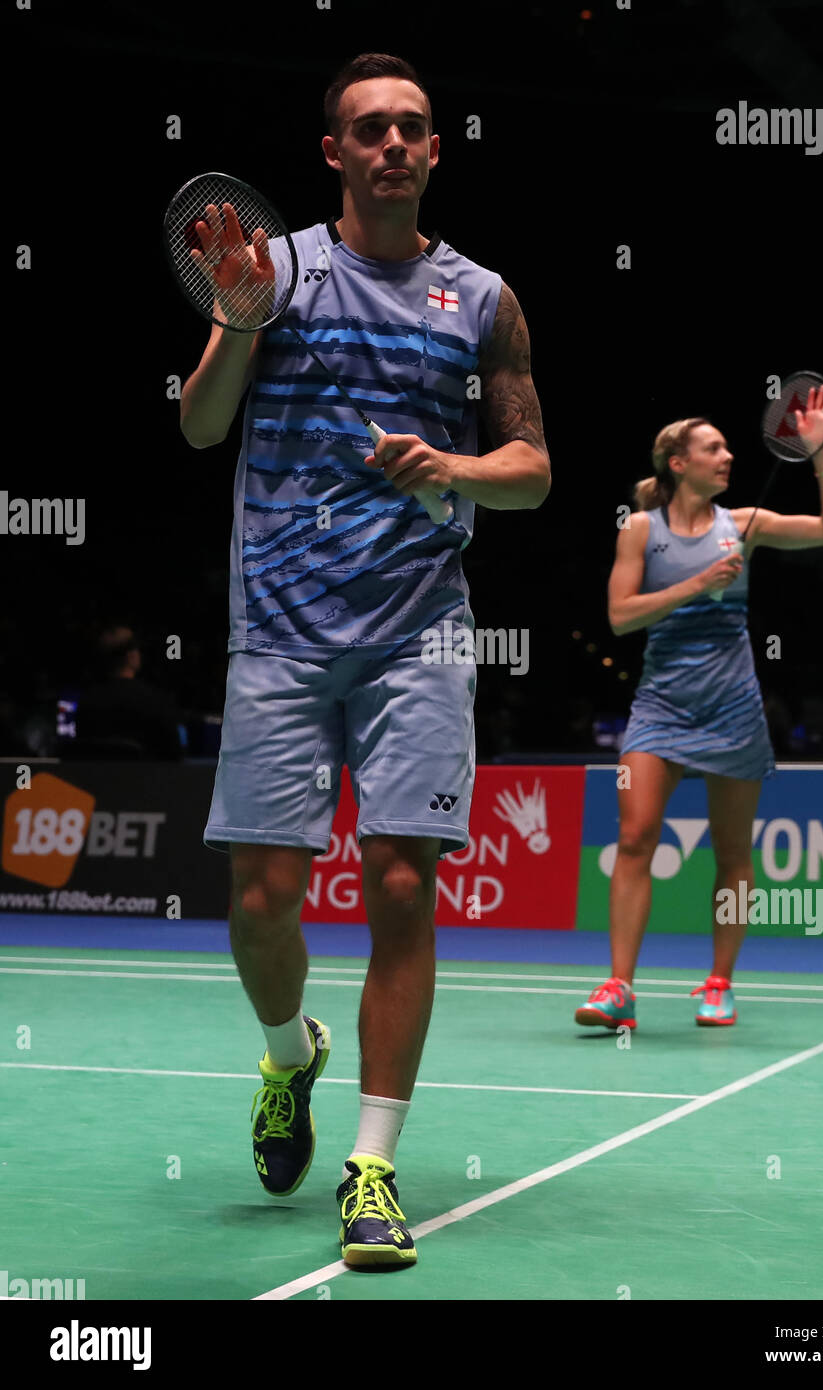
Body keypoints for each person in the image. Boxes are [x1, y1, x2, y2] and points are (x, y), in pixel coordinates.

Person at [179, 53, 550, 1267]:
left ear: (436, 150)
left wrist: (450, 467)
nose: (392, 144)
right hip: (280, 631)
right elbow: (201, 422)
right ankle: (291, 1055)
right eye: (368, 130)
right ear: (331, 152)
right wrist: (235, 321)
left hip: (418, 631)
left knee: (400, 887)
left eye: (413, 128)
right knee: (260, 905)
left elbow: (533, 471)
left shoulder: (484, 297)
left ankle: (373, 1167)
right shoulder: (275, 268)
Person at [575, 386, 823, 1032]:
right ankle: (620, 988)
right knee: (636, 836)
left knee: (732, 855)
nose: (727, 455)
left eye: (727, 446)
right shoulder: (641, 530)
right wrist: (701, 582)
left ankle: (719, 983)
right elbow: (618, 617)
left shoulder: (744, 524)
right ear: (679, 463)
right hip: (661, 707)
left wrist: (819, 452)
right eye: (713, 447)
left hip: (732, 708)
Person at [70, 626, 182, 761]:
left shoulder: (87, 702)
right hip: (145, 780)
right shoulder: (155, 701)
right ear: (131, 656)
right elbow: (175, 756)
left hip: (94, 781)